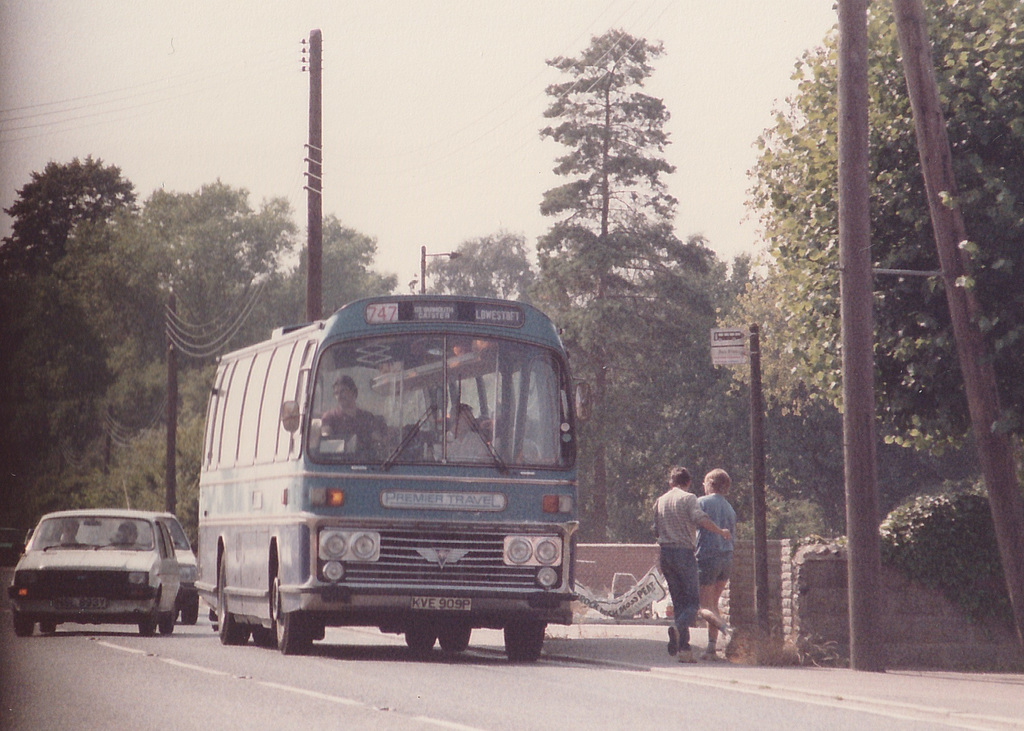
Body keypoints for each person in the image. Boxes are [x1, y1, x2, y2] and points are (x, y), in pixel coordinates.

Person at [653, 465, 732, 663]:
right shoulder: (688, 498)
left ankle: (684, 650)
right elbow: (700, 519)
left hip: (665, 553)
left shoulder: (660, 501)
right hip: (683, 552)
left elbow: (655, 528)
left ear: (671, 482)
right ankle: (679, 628)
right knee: (694, 602)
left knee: (679, 601)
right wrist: (720, 531)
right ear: (687, 483)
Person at [696, 468, 737, 660]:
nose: (702, 486)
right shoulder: (730, 508)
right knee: (713, 605)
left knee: (702, 605)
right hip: (726, 559)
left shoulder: (702, 503)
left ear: (710, 483)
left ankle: (726, 629)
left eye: (704, 483)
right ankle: (711, 648)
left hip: (707, 556)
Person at [320, 375, 381, 455]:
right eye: (336, 393)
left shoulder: (367, 417)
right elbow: (326, 444)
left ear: (353, 392)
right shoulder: (329, 417)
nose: (339, 396)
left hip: (369, 463)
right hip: (339, 464)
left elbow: (378, 442)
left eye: (343, 391)